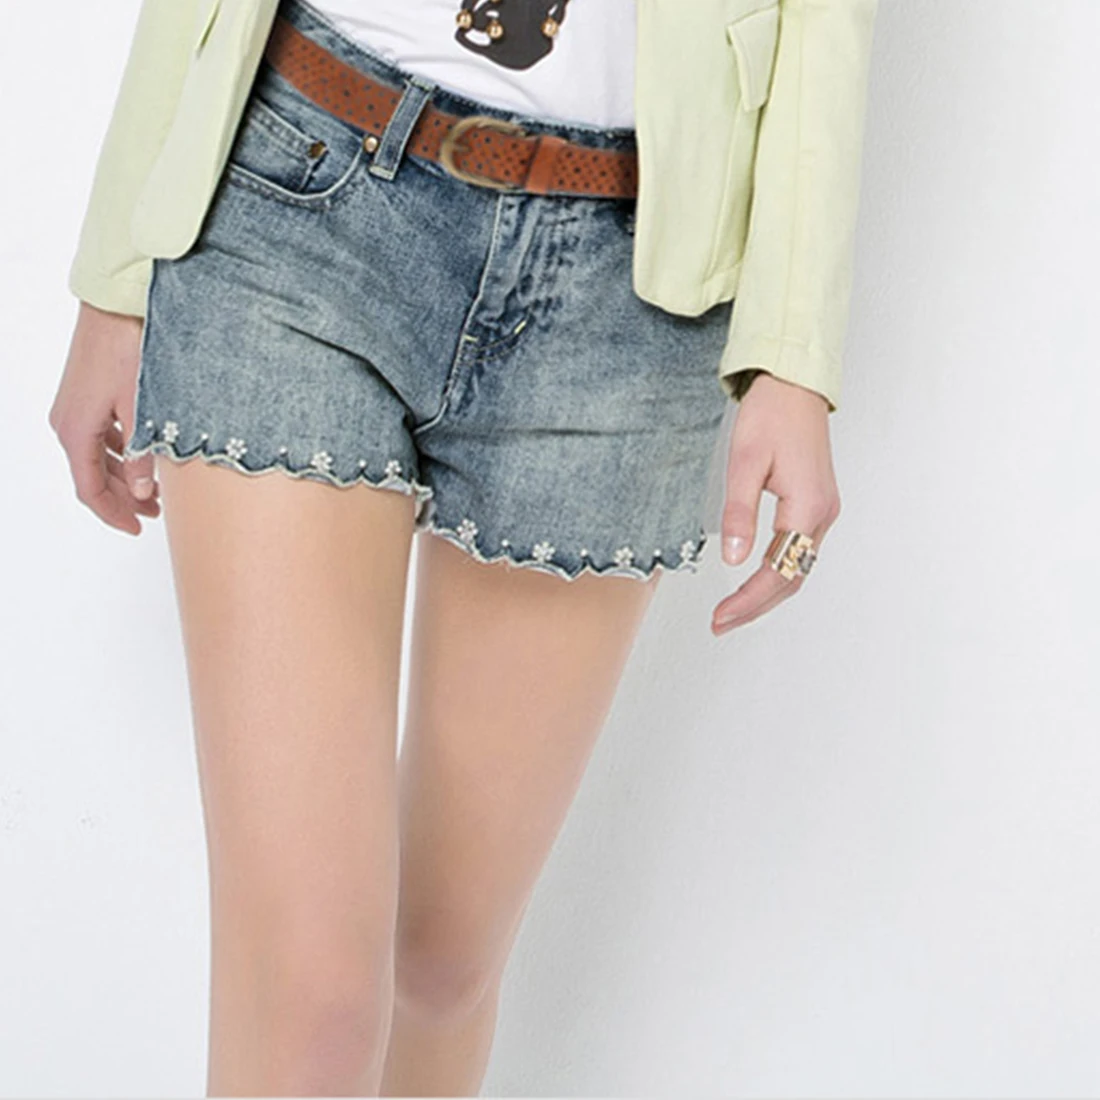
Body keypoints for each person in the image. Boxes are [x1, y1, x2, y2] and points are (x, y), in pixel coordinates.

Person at [49, 0, 879, 1093]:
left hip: (623, 281)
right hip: (306, 185)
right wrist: (116, 277)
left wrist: (795, 357)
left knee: (439, 967)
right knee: (314, 997)